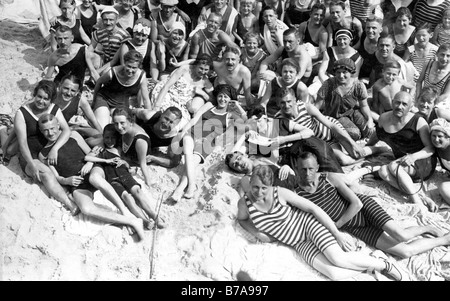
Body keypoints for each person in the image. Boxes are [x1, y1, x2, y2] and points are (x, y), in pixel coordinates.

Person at [237, 165, 405, 281]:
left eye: (264, 188)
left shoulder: (280, 193)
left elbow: (313, 209)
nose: (259, 192)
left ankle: (384, 265)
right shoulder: (244, 204)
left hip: (307, 225)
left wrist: (337, 234)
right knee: (333, 273)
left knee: (338, 259)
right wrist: (258, 234)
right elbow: (242, 219)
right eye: (255, 187)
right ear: (249, 184)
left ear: (270, 185)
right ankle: (370, 261)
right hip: (296, 242)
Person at [291, 151, 450, 260]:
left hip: (365, 209)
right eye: (303, 169)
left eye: (311, 168)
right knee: (405, 251)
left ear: (317, 167)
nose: (307, 173)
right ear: (296, 169)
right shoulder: (297, 194)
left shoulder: (329, 178)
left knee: (402, 235)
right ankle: (441, 239)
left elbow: (357, 203)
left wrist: (337, 225)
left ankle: (428, 229)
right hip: (356, 228)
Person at [37, 113, 146, 241]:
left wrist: (90, 162)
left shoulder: (72, 135)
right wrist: (67, 180)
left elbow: (89, 151)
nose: (50, 133)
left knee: (95, 178)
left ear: (58, 125)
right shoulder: (43, 154)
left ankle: (124, 211)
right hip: (76, 182)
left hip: (92, 170)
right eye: (45, 130)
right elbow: (56, 177)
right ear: (41, 131)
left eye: (52, 128)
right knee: (86, 209)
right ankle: (131, 221)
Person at [169, 84, 247, 202]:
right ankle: (191, 185)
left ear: (230, 99)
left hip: (207, 142)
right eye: (220, 96)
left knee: (193, 161)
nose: (222, 99)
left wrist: (237, 106)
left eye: (226, 97)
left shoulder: (230, 114)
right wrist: (183, 131)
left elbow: (245, 119)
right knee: (186, 142)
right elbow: (194, 119)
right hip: (193, 133)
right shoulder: (209, 105)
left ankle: (180, 189)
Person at [13, 80, 78, 215]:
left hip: (49, 150)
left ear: (51, 100)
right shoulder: (22, 113)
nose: (41, 101)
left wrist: (54, 149)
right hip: (31, 155)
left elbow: (66, 130)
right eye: (39, 97)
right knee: (46, 174)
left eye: (46, 99)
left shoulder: (54, 109)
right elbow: (23, 143)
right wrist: (31, 164)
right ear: (34, 95)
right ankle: (70, 204)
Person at [367, 91, 438, 212]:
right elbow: (377, 134)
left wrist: (414, 157)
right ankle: (421, 198)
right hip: (402, 163)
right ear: (392, 102)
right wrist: (368, 146)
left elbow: (430, 148)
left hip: (422, 161)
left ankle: (416, 202)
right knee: (384, 171)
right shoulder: (384, 118)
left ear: (411, 107)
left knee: (393, 167)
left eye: (404, 104)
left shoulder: (418, 122)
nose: (400, 106)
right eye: (397, 102)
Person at [84, 123, 165, 229]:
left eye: (113, 138)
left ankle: (155, 216)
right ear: (103, 137)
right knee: (127, 197)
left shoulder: (119, 149)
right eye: (107, 137)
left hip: (124, 174)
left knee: (137, 192)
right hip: (112, 178)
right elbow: (87, 157)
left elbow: (127, 164)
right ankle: (145, 221)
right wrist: (105, 160)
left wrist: (124, 163)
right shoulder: (100, 149)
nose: (110, 140)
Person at [315, 58, 375, 141]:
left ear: (351, 73)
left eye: (344, 72)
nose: (341, 75)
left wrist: (370, 119)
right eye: (338, 72)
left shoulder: (358, 85)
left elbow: (364, 105)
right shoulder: (328, 84)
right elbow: (317, 106)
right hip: (335, 116)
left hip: (353, 112)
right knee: (354, 134)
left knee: (370, 131)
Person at [92, 49, 151, 129]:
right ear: (124, 63)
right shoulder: (113, 72)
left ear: (139, 67)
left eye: (134, 68)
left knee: (121, 128)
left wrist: (150, 116)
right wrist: (94, 102)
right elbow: (99, 83)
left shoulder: (141, 76)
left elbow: (146, 99)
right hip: (104, 98)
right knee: (102, 128)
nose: (130, 70)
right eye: (128, 66)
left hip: (121, 104)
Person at [151, 53, 214, 127]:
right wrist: (157, 106)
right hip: (167, 94)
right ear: (195, 65)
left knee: (181, 122)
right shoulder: (185, 69)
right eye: (201, 68)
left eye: (206, 70)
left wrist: (203, 93)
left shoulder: (205, 81)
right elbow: (167, 86)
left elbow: (213, 100)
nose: (203, 72)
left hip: (181, 104)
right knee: (163, 114)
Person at [52, 74, 103, 147]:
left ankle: (77, 129)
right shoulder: (51, 95)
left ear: (77, 92)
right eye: (66, 88)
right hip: (50, 130)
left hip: (66, 130)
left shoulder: (80, 99)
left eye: (73, 90)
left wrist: (102, 137)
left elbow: (93, 120)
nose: (68, 93)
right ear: (60, 86)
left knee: (98, 137)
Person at [104, 17, 159, 82]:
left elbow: (153, 65)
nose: (140, 38)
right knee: (106, 71)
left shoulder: (151, 44)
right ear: (133, 33)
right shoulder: (126, 45)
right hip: (129, 74)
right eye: (138, 34)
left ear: (147, 36)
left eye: (144, 36)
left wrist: (154, 78)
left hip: (145, 76)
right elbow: (124, 65)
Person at [87, 6, 131, 76]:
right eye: (105, 19)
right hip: (104, 62)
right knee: (87, 54)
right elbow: (89, 50)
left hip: (119, 64)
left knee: (106, 72)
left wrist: (97, 71)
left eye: (111, 20)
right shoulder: (99, 33)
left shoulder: (124, 35)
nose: (108, 22)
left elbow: (118, 60)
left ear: (117, 20)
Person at [429, 118, 450, 205]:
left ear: (447, 136)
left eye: (440, 136)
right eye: (434, 136)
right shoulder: (438, 149)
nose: (436, 139)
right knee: (443, 187)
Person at [356, 16, 383, 81]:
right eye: (368, 27)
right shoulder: (364, 35)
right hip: (359, 73)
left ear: (380, 30)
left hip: (375, 79)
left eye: (374, 28)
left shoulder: (383, 45)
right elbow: (355, 48)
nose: (370, 31)